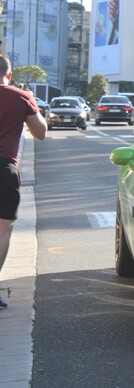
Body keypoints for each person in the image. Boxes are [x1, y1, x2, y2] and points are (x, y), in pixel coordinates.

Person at [0, 54, 47, 310]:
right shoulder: (20, 96)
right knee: (3, 230)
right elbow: (40, 133)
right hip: (4, 168)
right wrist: (32, 103)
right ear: (9, 74)